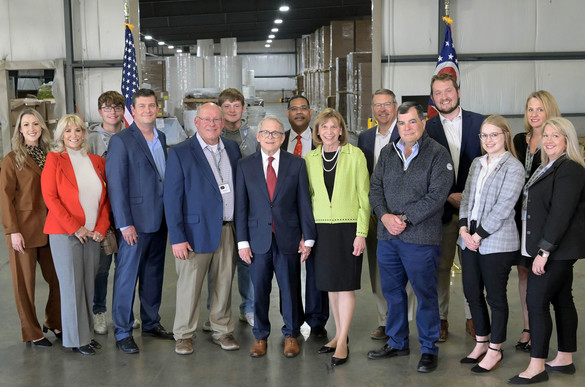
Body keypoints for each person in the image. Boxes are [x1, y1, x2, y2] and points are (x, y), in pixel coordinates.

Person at [367, 102, 453, 373]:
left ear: (423, 123)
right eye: (402, 123)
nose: (407, 128)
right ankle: (397, 341)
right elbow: (375, 190)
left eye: (412, 122)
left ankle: (428, 348)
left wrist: (402, 219)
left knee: (425, 293)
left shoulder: (438, 154)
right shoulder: (387, 153)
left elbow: (437, 197)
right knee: (392, 293)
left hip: (421, 238)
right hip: (387, 237)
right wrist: (384, 216)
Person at [509, 118, 585, 385]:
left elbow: (560, 214)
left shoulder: (570, 169)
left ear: (568, 140)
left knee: (536, 302)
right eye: (547, 135)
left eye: (557, 136)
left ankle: (537, 366)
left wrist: (544, 251)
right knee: (562, 300)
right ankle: (564, 358)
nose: (549, 140)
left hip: (556, 250)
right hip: (553, 249)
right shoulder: (547, 166)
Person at [164, 103, 242, 355]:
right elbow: (172, 198)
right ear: (196, 123)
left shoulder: (231, 148)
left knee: (224, 282)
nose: (212, 124)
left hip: (227, 229)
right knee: (190, 285)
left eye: (216, 119)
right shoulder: (180, 152)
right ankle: (184, 334)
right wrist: (177, 237)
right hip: (194, 233)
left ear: (223, 123)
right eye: (206, 119)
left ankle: (222, 329)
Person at [235, 115, 315, 358]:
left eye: (276, 133)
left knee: (290, 288)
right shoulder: (245, 165)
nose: (271, 137)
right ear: (258, 137)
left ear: (283, 138)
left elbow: (304, 203)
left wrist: (308, 237)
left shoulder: (296, 164)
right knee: (259, 289)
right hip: (258, 240)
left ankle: (291, 334)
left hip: (288, 238)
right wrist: (242, 241)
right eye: (266, 133)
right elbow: (241, 207)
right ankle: (260, 336)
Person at [106, 88, 172, 354]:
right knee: (126, 277)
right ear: (133, 111)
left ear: (158, 109)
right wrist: (124, 224)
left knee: (153, 275)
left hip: (160, 220)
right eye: (142, 106)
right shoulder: (122, 140)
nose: (147, 110)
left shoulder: (162, 137)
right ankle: (122, 331)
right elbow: (116, 185)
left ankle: (151, 322)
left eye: (151, 106)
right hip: (134, 224)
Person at [457, 115, 525, 373]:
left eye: (494, 135)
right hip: (469, 238)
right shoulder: (477, 163)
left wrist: (479, 235)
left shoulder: (514, 167)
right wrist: (464, 228)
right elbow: (466, 198)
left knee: (495, 297)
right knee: (471, 292)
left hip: (496, 242)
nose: (488, 140)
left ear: (505, 135)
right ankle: (481, 341)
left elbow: (504, 207)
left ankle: (495, 349)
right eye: (484, 135)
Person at [41, 114, 110, 355]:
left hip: (92, 235)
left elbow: (105, 200)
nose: (74, 135)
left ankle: (86, 335)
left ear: (85, 133)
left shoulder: (96, 161)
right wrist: (75, 228)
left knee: (88, 287)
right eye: (68, 131)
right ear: (61, 135)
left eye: (78, 130)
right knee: (72, 287)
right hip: (66, 234)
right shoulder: (54, 159)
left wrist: (100, 228)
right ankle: (75, 340)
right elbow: (51, 198)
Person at [305, 108, 370, 366]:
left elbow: (364, 197)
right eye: (324, 127)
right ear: (318, 132)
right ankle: (337, 335)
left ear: (341, 130)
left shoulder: (355, 155)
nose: (329, 132)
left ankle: (342, 340)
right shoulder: (310, 158)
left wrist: (361, 233)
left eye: (334, 127)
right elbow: (308, 198)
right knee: (331, 286)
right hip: (322, 229)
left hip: (348, 228)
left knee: (345, 285)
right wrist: (307, 234)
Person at [425, 73, 485, 341]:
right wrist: (449, 195)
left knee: (474, 268)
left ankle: (474, 318)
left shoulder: (481, 123)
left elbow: (490, 165)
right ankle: (440, 319)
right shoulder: (426, 129)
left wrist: (469, 196)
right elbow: (423, 172)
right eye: (438, 93)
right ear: (433, 97)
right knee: (440, 268)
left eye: (448, 91)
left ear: (458, 92)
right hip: (444, 212)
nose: (444, 97)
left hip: (475, 214)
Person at [357, 88, 415, 340]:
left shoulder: (407, 133)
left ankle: (404, 319)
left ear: (395, 106)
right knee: (378, 270)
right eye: (377, 105)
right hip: (375, 213)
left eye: (387, 104)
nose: (382, 109)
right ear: (372, 109)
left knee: (408, 270)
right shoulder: (365, 138)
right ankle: (385, 319)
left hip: (403, 215)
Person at [0, 109, 61, 347]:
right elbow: (5, 198)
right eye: (26, 125)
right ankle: (32, 331)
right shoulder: (11, 159)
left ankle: (54, 321)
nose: (32, 128)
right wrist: (11, 231)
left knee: (58, 278)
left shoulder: (51, 154)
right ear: (20, 130)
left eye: (36, 123)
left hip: (52, 228)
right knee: (25, 285)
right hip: (23, 231)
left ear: (43, 127)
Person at [512, 91, 561, 352]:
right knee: (523, 273)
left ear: (549, 111)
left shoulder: (554, 142)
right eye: (530, 109)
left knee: (543, 275)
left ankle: (541, 330)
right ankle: (528, 327)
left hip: (543, 217)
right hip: (520, 217)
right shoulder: (520, 140)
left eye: (539, 109)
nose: (534, 114)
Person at [281, 95, 329, 338]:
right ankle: (292, 319)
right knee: (287, 269)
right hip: (286, 216)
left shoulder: (323, 141)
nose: (299, 112)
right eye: (293, 109)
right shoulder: (278, 140)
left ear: (311, 113)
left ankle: (317, 319)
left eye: (303, 108)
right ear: (287, 113)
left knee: (316, 267)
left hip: (317, 214)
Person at [87, 90, 127, 335]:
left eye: (117, 107)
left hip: (127, 211)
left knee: (126, 266)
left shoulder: (131, 135)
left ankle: (123, 313)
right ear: (100, 111)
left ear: (123, 111)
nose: (112, 112)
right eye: (107, 107)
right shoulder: (91, 139)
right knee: (102, 267)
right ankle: (98, 310)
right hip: (102, 211)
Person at [219, 87, 257, 328]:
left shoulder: (253, 136)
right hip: (222, 209)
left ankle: (249, 308)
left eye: (236, 106)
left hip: (249, 208)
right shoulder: (213, 134)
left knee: (247, 260)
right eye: (227, 106)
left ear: (243, 109)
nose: (232, 110)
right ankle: (217, 312)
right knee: (220, 264)